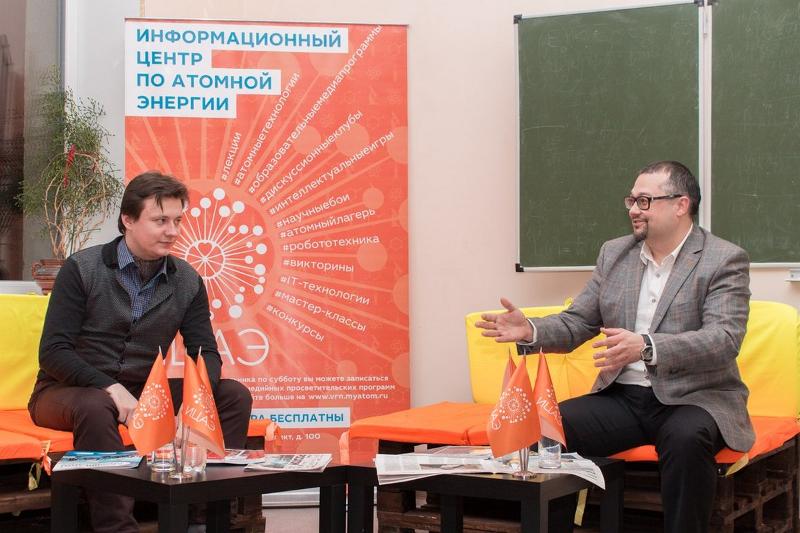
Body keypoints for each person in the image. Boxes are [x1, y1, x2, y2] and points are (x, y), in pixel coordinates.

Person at [476, 161, 753, 533]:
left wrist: (647, 346)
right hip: (624, 397)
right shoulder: (615, 254)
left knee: (686, 439)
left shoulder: (723, 259)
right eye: (631, 200)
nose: (634, 209)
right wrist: (530, 330)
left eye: (644, 201)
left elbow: (723, 339)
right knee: (551, 427)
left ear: (681, 205)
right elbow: (579, 322)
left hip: (695, 397)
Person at [28, 171, 253, 533]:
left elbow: (206, 353)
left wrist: (193, 402)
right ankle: (117, 528)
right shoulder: (82, 269)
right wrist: (110, 387)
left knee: (232, 395)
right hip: (65, 392)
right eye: (160, 220)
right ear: (128, 220)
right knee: (96, 405)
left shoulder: (187, 280)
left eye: (177, 220)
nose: (172, 231)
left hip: (144, 394)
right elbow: (54, 352)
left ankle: (202, 520)